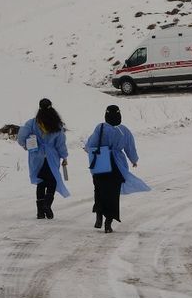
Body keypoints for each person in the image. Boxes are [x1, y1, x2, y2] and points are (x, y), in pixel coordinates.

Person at [84, 105, 150, 233]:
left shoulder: (100, 127)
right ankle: (108, 223)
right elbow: (130, 147)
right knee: (113, 193)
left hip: (100, 162)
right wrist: (134, 160)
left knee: (99, 189)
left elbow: (91, 144)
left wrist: (87, 149)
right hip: (117, 165)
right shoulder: (124, 130)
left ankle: (99, 214)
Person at [17, 98, 70, 219]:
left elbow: (21, 137)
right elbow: (60, 143)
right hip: (52, 157)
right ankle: (47, 204)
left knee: (41, 182)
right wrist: (64, 156)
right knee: (52, 181)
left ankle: (40, 212)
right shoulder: (56, 124)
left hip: (37, 156)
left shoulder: (32, 123)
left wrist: (26, 145)